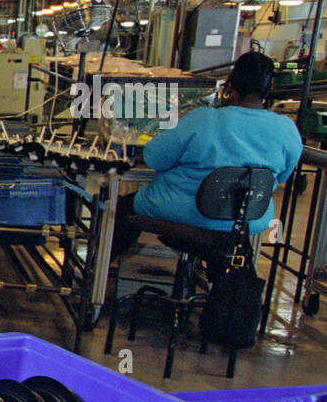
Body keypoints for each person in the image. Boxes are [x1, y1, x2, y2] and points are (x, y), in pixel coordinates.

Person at [110, 50, 303, 261]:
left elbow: (155, 157)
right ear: (268, 91)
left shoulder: (204, 119)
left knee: (119, 209)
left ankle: (97, 273)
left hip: (183, 213)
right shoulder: (286, 128)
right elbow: (280, 177)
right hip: (246, 219)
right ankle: (216, 279)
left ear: (229, 87)